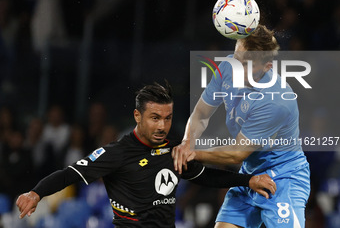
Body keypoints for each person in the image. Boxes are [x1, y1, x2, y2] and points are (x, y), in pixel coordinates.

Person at [17, 81, 276, 227]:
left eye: (167, 118)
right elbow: (69, 175)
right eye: (154, 118)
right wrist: (36, 193)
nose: (162, 126)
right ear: (137, 116)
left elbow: (204, 176)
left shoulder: (174, 149)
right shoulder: (116, 153)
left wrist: (248, 181)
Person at [172, 25, 311, 228]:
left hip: (283, 177)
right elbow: (201, 114)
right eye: (237, 58)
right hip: (250, 174)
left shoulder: (276, 100)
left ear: (267, 67)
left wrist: (194, 153)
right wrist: (186, 142)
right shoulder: (228, 67)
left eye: (246, 64)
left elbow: (236, 153)